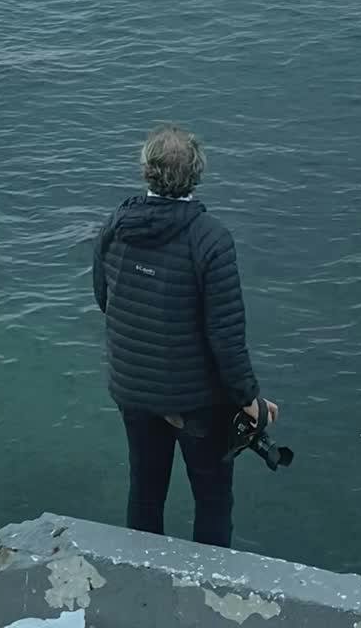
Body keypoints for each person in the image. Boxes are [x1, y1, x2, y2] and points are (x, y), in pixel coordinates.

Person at [92, 122, 278, 548]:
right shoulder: (211, 239)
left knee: (145, 491)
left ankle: (140, 578)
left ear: (146, 170)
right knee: (212, 500)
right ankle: (207, 584)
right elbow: (226, 336)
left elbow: (105, 299)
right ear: (197, 173)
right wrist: (250, 400)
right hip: (197, 403)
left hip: (134, 389)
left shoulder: (116, 224)